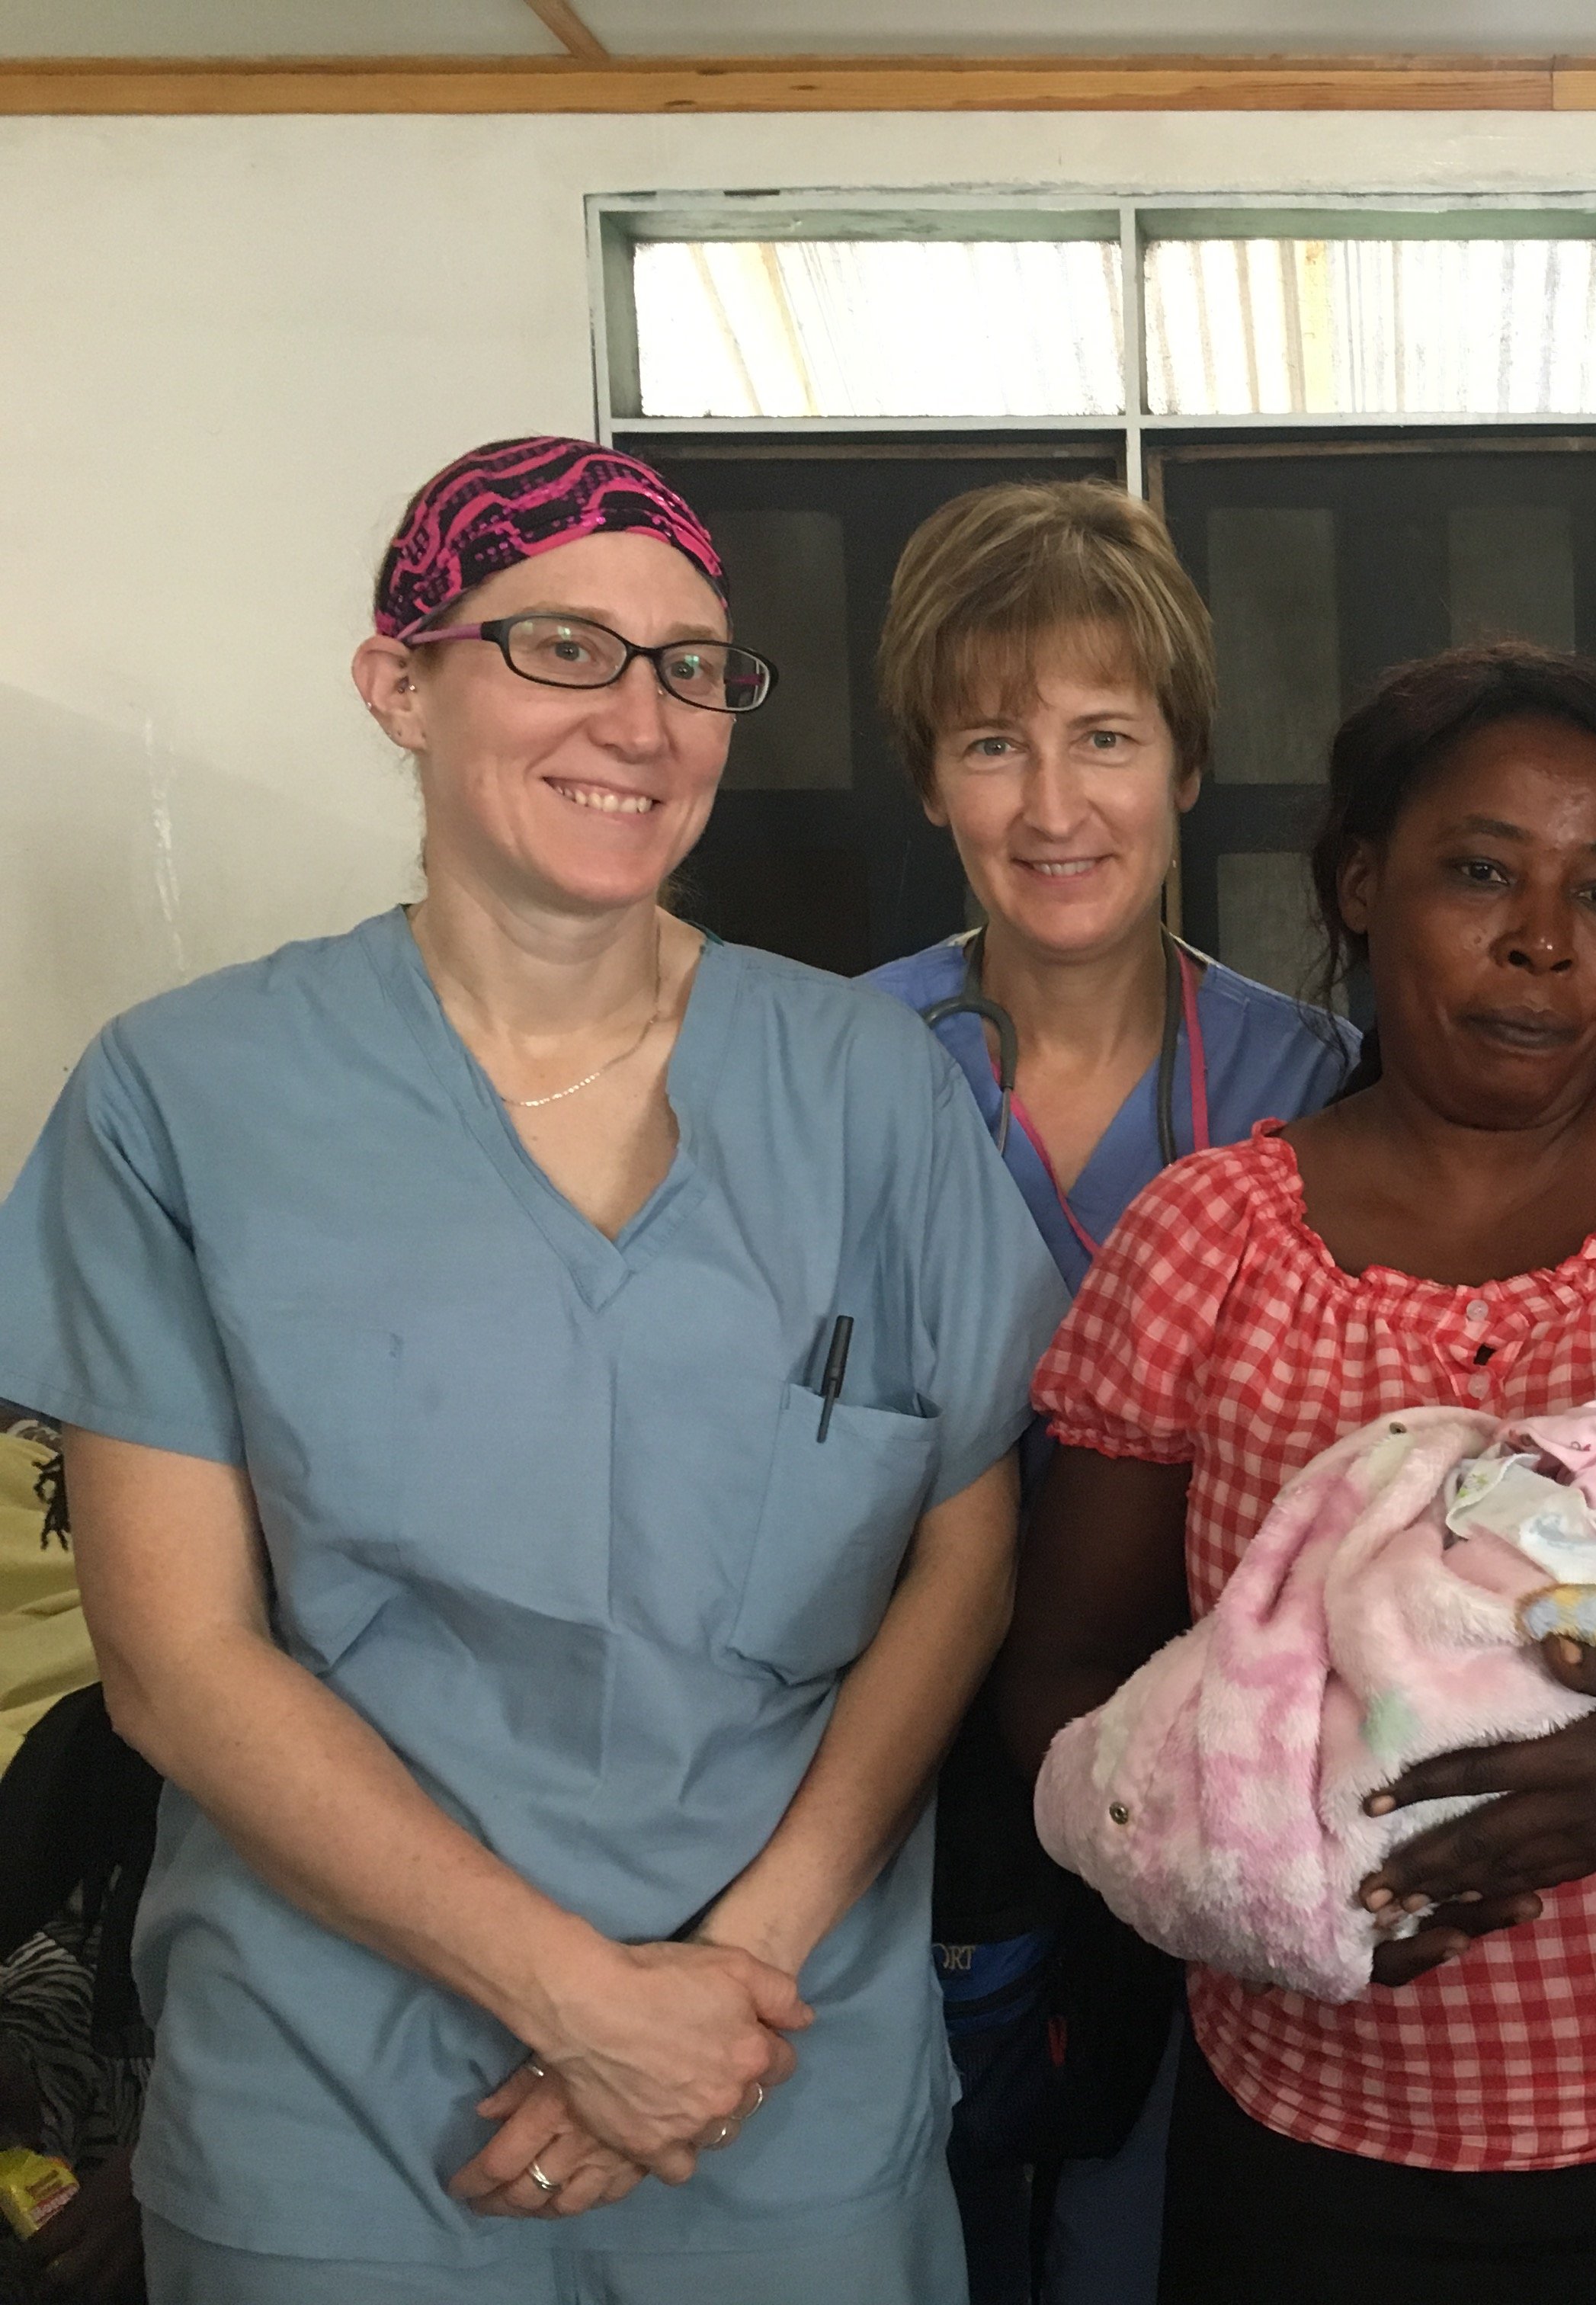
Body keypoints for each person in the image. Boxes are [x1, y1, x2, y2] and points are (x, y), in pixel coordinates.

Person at [0, 436, 1062, 2303]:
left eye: (689, 664)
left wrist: (718, 1997)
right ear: (399, 683)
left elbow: (966, 1554)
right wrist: (581, 2004)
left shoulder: (872, 1095)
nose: (640, 721)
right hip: (343, 2115)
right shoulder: (184, 1103)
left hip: (782, 2081)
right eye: (561, 646)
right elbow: (177, 1667)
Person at [998, 643, 1596, 2301]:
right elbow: (1069, 1682)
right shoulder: (1209, 1246)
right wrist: (1243, 1883)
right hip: (1322, 2171)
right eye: (1480, 873)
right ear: (1362, 881)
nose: (1540, 941)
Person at [859, 482, 1354, 2305]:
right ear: (930, 778)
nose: (1053, 807)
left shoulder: (1320, 1092)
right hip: (906, 1823)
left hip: (1220, 1815)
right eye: (995, 743)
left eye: (1105, 739)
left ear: (1187, 765)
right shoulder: (833, 1076)